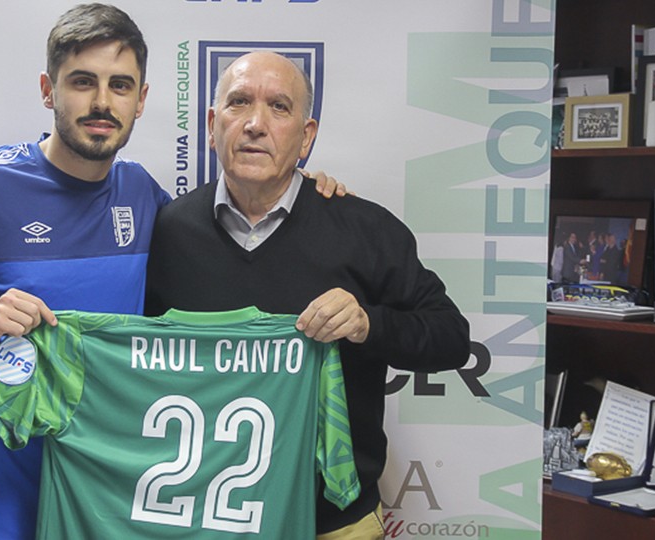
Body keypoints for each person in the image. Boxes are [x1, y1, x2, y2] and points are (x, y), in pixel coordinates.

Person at [0, 5, 344, 539]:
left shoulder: (142, 194)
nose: (103, 103)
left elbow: (229, 228)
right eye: (83, 82)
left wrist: (298, 184)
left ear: (142, 100)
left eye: (121, 86)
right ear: (48, 89)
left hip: (105, 512)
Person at [144, 51, 471, 540]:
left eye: (279, 107)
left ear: (307, 136)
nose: (256, 124)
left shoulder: (366, 229)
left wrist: (369, 324)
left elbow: (452, 338)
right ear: (212, 124)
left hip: (334, 523)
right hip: (197, 516)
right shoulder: (167, 231)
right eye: (238, 103)